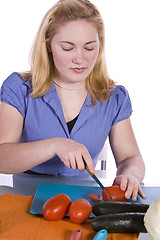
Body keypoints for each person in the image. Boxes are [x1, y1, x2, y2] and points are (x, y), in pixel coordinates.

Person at [0, 0, 146, 201]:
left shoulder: (114, 97)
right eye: (68, 48)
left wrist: (131, 175)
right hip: (25, 196)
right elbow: (2, 158)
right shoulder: (18, 87)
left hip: (83, 199)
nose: (80, 59)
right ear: (49, 45)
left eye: (89, 47)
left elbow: (131, 158)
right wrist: (54, 145)